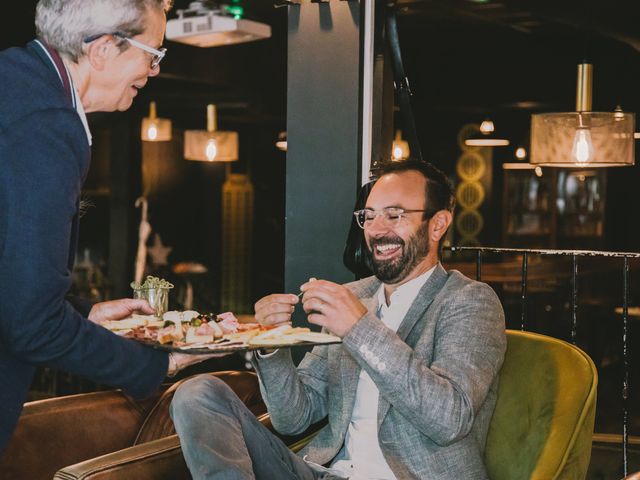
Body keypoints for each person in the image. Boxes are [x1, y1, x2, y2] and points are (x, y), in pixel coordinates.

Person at [170, 160, 507, 479]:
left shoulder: (468, 300)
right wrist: (271, 342)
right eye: (369, 216)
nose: (377, 229)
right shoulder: (355, 295)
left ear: (437, 224)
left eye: (395, 215)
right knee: (197, 393)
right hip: (326, 472)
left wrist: (359, 328)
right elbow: (294, 416)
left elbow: (449, 418)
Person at [0, 0, 209, 452]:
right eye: (153, 53)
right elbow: (30, 325)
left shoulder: (15, 83)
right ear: (103, 49)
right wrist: (161, 366)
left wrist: (82, 315)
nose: (154, 71)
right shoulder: (46, 127)